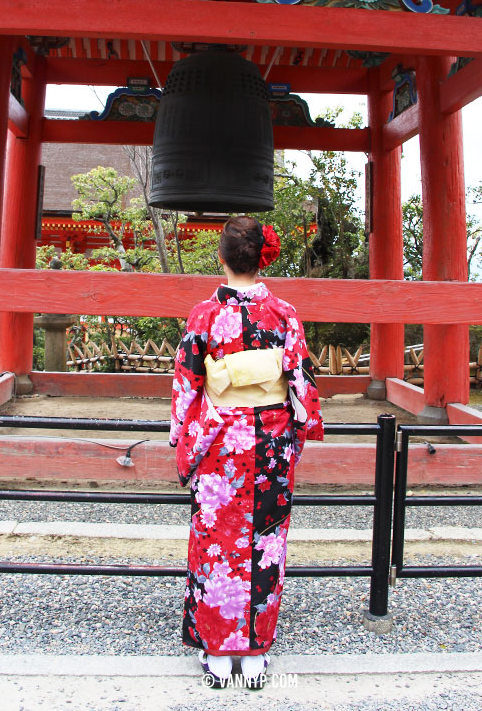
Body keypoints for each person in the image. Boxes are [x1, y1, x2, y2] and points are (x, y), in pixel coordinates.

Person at [170, 215, 324, 689]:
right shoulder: (284, 314)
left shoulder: (202, 316)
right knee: (264, 542)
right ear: (263, 257)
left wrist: (183, 437)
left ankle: (217, 653)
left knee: (216, 543)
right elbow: (299, 383)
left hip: (218, 442)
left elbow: (186, 387)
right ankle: (255, 654)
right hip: (271, 442)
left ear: (221, 257)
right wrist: (297, 436)